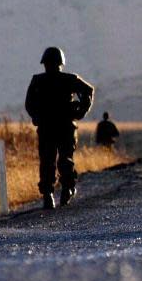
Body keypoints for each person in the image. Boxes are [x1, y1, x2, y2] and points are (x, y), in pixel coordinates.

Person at [25, 47, 95, 209]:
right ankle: (65, 189)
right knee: (64, 159)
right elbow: (88, 91)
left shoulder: (38, 80)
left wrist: (37, 116)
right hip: (64, 126)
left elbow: (29, 104)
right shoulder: (68, 79)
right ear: (61, 63)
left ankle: (50, 194)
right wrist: (82, 110)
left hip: (48, 127)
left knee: (48, 160)